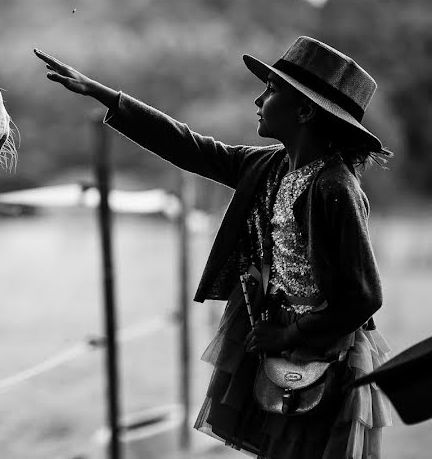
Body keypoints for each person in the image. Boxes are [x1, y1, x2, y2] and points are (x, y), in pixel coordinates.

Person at [35, 36, 393, 459]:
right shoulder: (266, 166)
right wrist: (105, 95)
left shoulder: (336, 188)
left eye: (272, 90)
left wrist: (291, 333)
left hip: (323, 356)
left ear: (304, 111)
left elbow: (364, 297)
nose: (259, 98)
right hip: (276, 346)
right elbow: (188, 146)